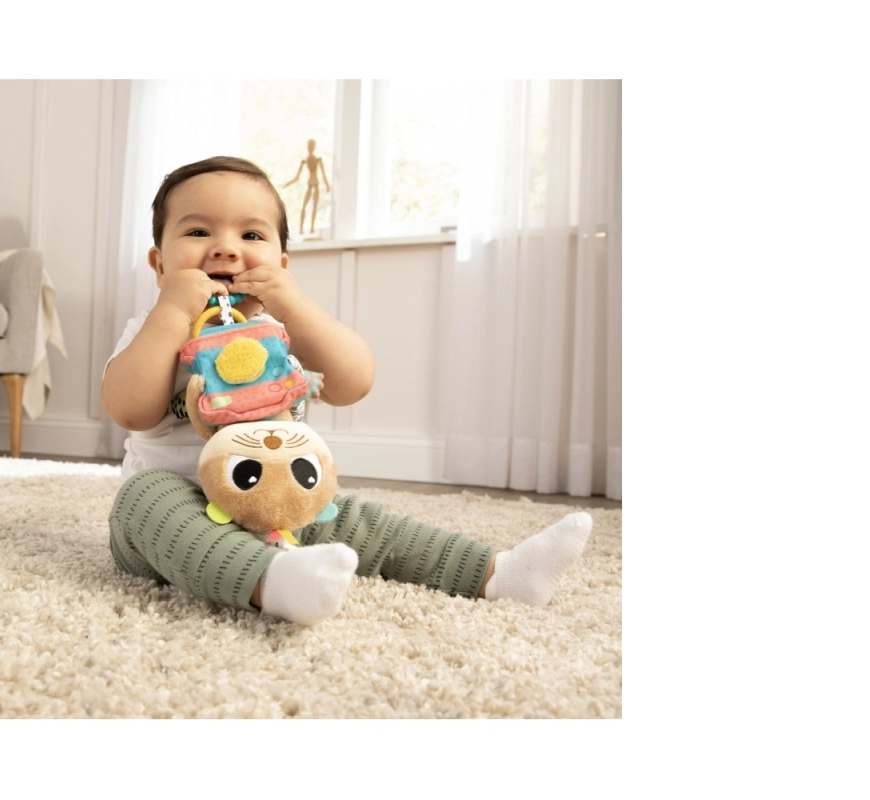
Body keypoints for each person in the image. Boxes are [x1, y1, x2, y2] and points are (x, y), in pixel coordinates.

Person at [101, 155, 592, 626]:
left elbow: (353, 382)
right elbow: (130, 410)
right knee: (145, 497)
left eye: (251, 235)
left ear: (282, 264)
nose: (226, 248)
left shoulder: (282, 332)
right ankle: (271, 582)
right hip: (174, 518)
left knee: (355, 518)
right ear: (160, 264)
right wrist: (173, 312)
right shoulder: (153, 329)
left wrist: (295, 307)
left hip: (278, 509)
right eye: (198, 232)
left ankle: (499, 573)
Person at [281, 139, 329, 236]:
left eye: (312, 146)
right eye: (309, 145)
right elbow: (296, 177)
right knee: (304, 207)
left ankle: (311, 228)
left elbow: (324, 174)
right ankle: (301, 228)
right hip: (310, 185)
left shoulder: (318, 160)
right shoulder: (305, 161)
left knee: (314, 206)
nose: (310, 147)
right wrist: (287, 184)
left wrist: (327, 185)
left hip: (315, 184)